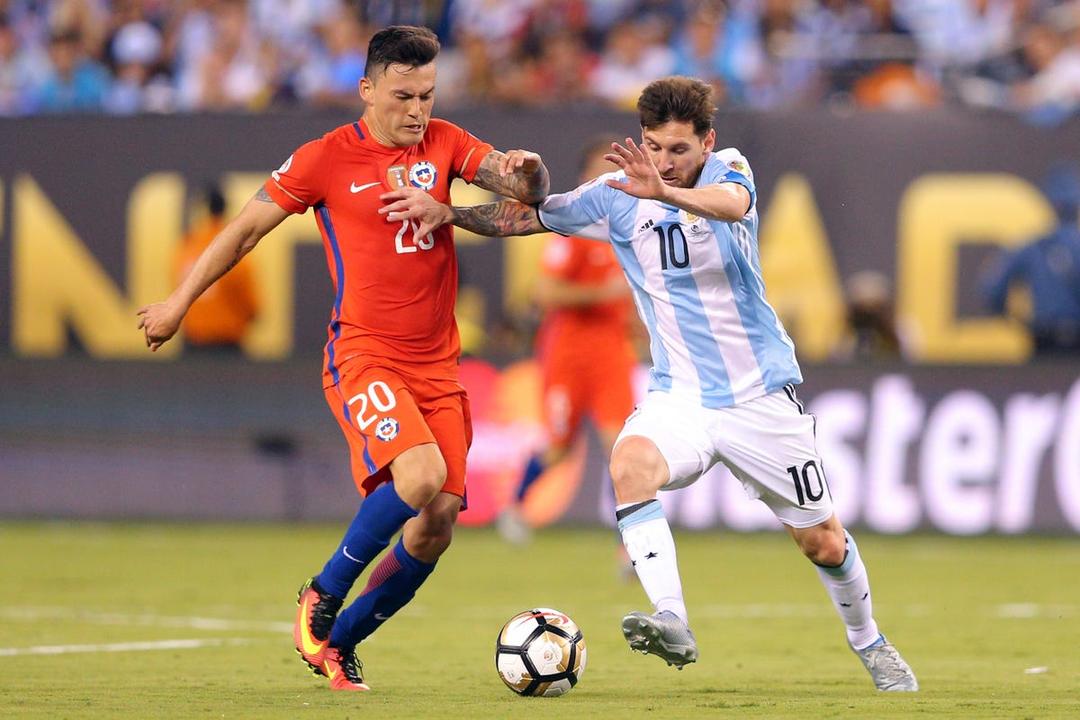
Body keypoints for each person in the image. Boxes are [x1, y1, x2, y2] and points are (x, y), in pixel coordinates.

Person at [388, 75, 919, 692]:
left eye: (676, 150)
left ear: (706, 142)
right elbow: (528, 216)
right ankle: (672, 617)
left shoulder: (730, 169)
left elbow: (733, 206)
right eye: (652, 146)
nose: (662, 160)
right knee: (629, 464)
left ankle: (870, 642)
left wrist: (663, 190)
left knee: (823, 543)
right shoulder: (617, 193)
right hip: (680, 397)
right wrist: (449, 212)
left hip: (761, 397)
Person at [137, 25, 550, 692]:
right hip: (365, 354)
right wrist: (178, 303)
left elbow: (526, 197)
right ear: (367, 90)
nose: (416, 109)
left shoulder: (444, 143)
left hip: (438, 365)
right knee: (417, 478)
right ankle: (321, 593)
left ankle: (338, 644)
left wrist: (509, 179)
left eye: (427, 94)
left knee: (437, 523)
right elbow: (243, 229)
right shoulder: (324, 159)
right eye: (402, 95)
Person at [497, 138, 637, 546]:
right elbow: (545, 292)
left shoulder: (627, 227)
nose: (610, 177)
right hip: (569, 352)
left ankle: (630, 543)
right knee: (559, 447)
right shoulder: (574, 229)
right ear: (583, 178)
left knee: (622, 448)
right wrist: (602, 294)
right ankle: (517, 506)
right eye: (600, 169)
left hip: (611, 352)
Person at [983, 164, 1080, 355]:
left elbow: (991, 289)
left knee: (1045, 384)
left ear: (1051, 205)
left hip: (1043, 341)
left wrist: (1017, 321)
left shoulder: (1033, 247)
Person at [173, 184, 260, 353]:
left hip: (193, 344)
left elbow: (176, 288)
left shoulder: (187, 247)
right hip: (227, 346)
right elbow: (253, 307)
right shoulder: (235, 249)